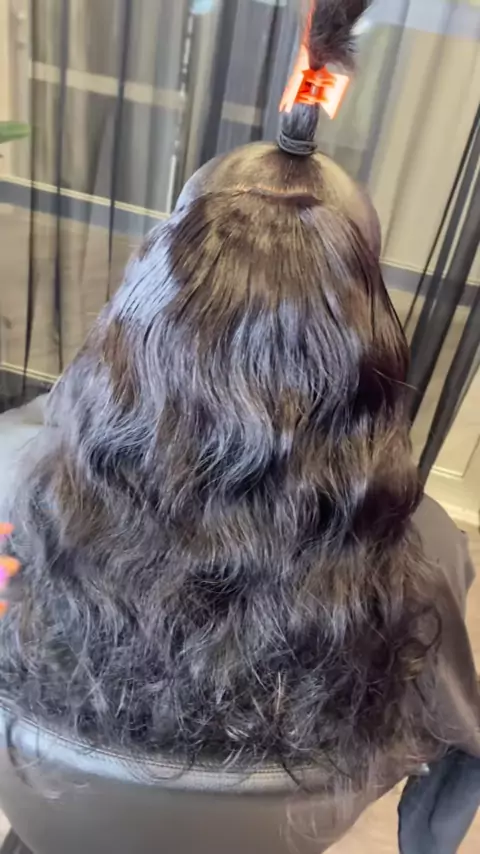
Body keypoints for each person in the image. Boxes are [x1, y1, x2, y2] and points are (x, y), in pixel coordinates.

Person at [0, 1, 479, 850]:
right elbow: (454, 736)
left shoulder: (14, 478)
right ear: (360, 343)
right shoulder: (421, 552)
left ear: (146, 310)